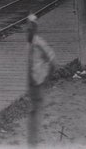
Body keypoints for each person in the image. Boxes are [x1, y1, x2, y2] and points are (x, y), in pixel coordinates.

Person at [26, 14, 56, 147]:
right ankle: (32, 139)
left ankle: (34, 141)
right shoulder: (29, 44)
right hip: (31, 82)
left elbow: (52, 60)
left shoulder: (39, 43)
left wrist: (47, 76)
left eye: (31, 28)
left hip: (38, 81)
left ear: (35, 29)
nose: (29, 31)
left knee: (36, 111)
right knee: (33, 110)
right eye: (27, 29)